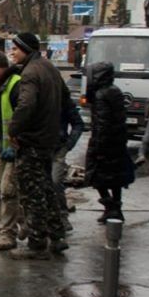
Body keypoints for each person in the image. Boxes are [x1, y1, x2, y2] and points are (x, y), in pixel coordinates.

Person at [6, 32, 72, 259]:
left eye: (15, 49)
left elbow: (26, 105)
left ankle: (36, 243)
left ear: (26, 49)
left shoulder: (30, 73)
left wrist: (13, 130)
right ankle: (57, 235)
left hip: (31, 141)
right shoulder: (50, 69)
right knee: (46, 187)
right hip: (48, 139)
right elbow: (65, 98)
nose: (12, 53)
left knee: (32, 192)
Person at [0, 50, 24, 251]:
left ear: (5, 67)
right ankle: (23, 220)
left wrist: (15, 147)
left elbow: (23, 117)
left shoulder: (16, 84)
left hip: (17, 147)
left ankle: (7, 233)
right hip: (2, 147)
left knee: (7, 190)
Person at [84, 62, 134, 222]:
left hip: (104, 142)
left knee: (96, 175)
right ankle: (116, 207)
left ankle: (110, 207)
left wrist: (98, 146)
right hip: (117, 142)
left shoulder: (101, 95)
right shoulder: (116, 91)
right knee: (116, 177)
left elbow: (102, 123)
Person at [53, 98, 85, 229]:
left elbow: (78, 124)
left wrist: (68, 145)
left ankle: (62, 215)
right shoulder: (37, 94)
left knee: (55, 181)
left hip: (58, 149)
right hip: (39, 147)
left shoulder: (62, 98)